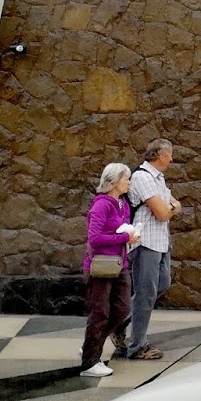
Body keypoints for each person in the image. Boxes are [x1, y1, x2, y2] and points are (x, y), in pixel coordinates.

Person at [124, 139, 181, 361]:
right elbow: (163, 213)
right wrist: (170, 207)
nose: (171, 159)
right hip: (145, 242)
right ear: (160, 156)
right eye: (169, 155)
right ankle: (137, 345)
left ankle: (117, 324)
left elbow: (174, 205)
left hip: (161, 241)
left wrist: (170, 207)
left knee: (162, 283)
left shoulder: (159, 178)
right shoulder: (143, 177)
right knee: (145, 294)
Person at [80, 162, 138, 378]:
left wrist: (130, 236)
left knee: (122, 309)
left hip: (119, 264)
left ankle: (91, 344)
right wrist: (123, 237)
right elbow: (94, 238)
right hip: (101, 266)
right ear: (114, 181)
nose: (129, 182)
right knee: (100, 313)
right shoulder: (101, 205)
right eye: (126, 178)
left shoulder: (122, 204)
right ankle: (90, 361)